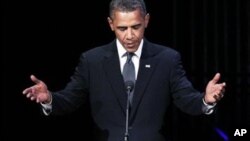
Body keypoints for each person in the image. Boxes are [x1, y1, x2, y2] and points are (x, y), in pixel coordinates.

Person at [22, 0, 226, 141]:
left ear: (146, 20)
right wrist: (49, 98)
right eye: (122, 28)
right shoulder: (92, 60)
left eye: (136, 26)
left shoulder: (167, 59)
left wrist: (205, 100)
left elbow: (186, 99)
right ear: (111, 24)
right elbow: (70, 99)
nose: (130, 35)